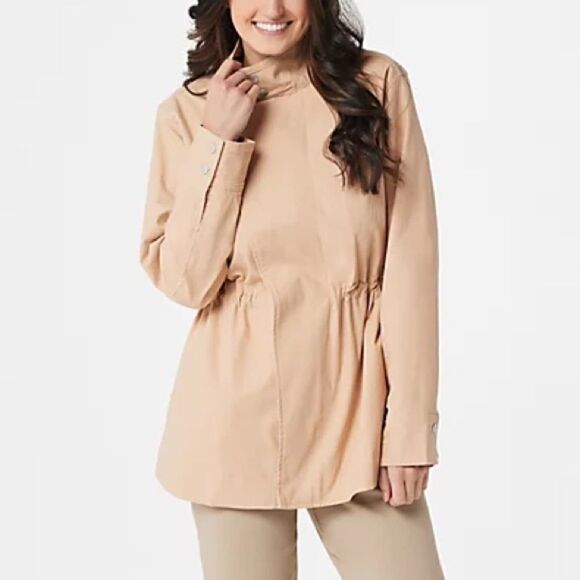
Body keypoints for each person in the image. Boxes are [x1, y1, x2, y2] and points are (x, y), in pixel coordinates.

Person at [139, 0, 445, 578]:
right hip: (234, 419)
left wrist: (409, 427)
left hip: (359, 411)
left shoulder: (376, 85)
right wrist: (218, 140)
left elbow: (412, 265)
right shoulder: (187, 114)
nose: (273, 9)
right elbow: (185, 281)